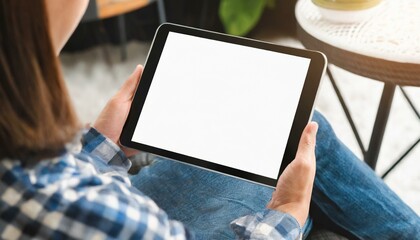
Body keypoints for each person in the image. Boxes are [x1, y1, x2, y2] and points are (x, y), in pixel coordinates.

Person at [0, 0, 419, 239]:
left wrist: (99, 147)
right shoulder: (63, 201)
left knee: (286, 125)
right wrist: (287, 214)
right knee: (299, 132)